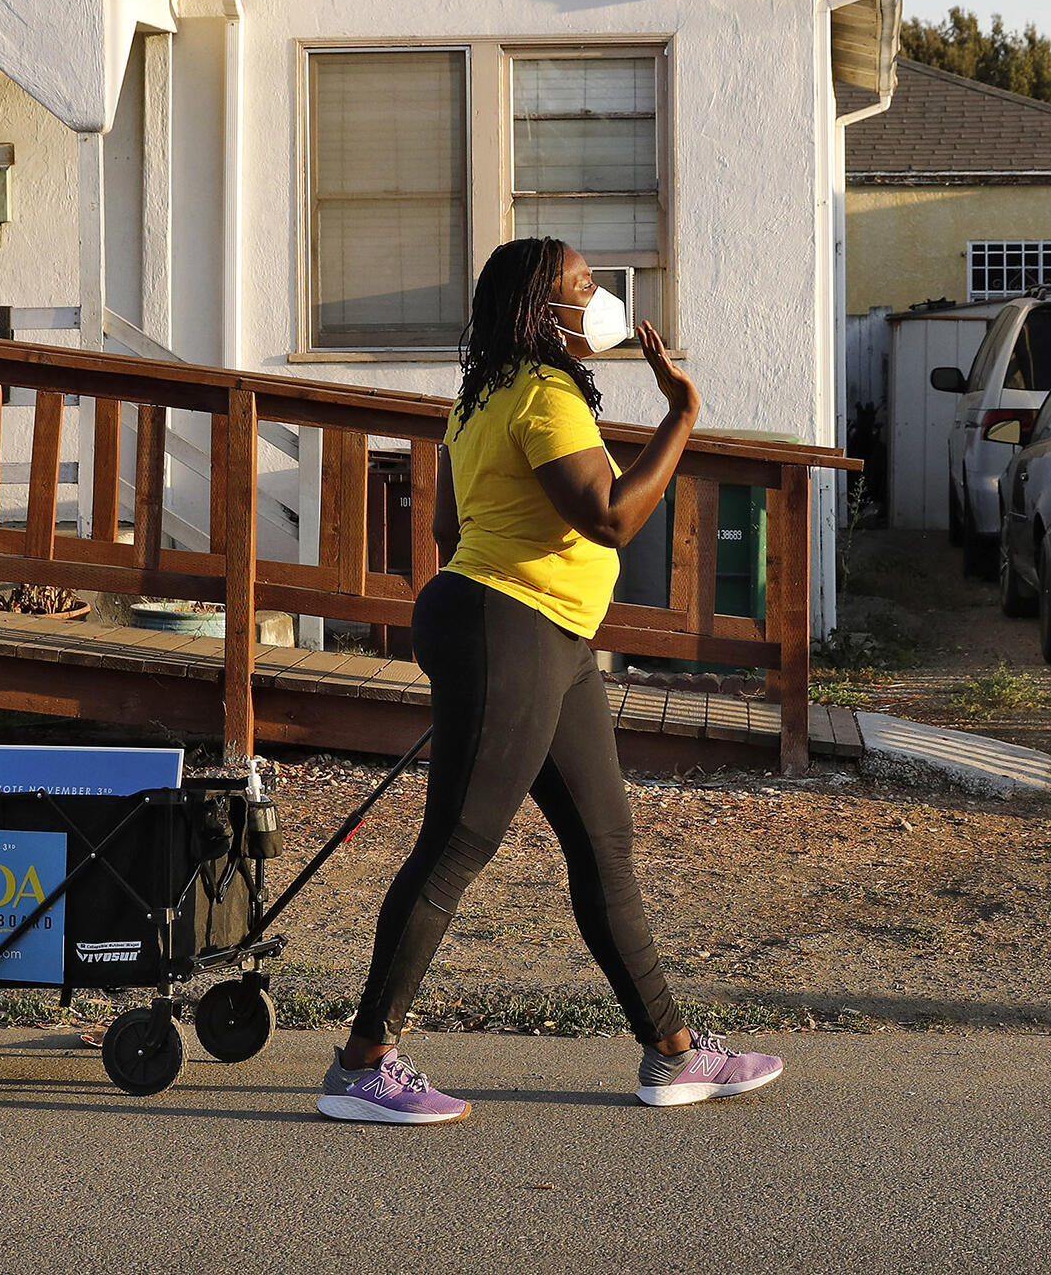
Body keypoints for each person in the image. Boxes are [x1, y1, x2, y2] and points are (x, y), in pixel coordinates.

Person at [316, 237, 784, 1124]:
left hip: (538, 637)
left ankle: (672, 1053)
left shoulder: (482, 395)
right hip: (511, 629)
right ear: (542, 307)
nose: (601, 296)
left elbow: (449, 531)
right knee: (457, 843)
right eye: (584, 285)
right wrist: (680, 417)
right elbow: (609, 519)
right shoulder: (542, 394)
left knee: (605, 845)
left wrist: (493, 647)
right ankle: (361, 1062)